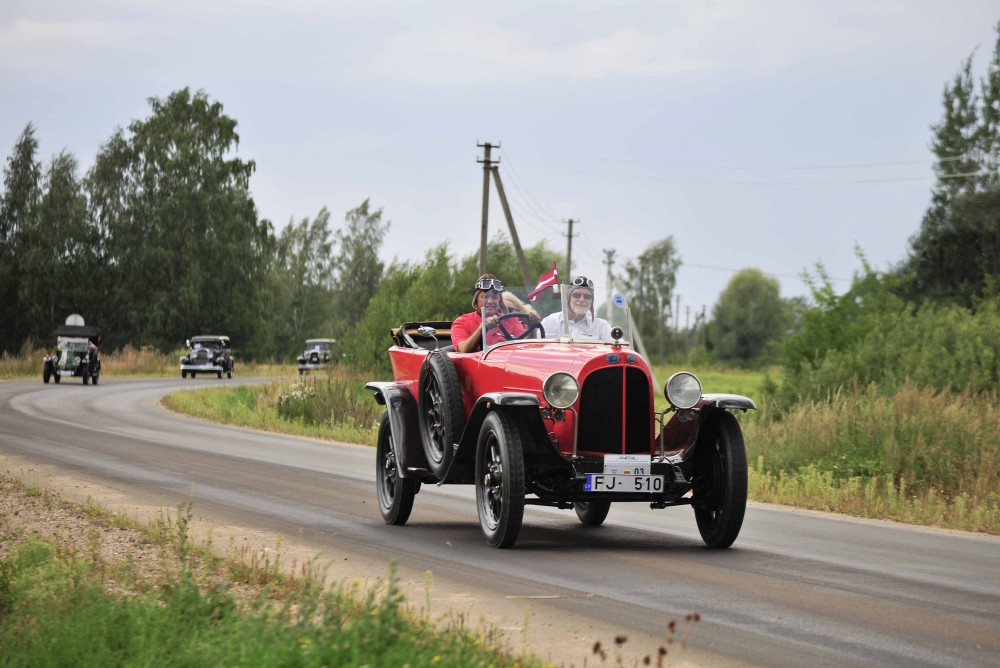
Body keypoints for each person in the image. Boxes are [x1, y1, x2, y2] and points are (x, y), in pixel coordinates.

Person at [451, 274, 527, 353]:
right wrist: (482, 328)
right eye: (485, 297)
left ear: (499, 301)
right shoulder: (462, 322)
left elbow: (526, 349)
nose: (490, 301)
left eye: (494, 297)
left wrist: (532, 327)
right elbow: (463, 350)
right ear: (476, 301)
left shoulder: (511, 320)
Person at [541, 275, 613, 340]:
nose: (582, 300)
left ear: (592, 301)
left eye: (587, 296)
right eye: (577, 295)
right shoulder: (551, 322)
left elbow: (619, 347)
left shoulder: (601, 326)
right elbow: (538, 348)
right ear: (569, 298)